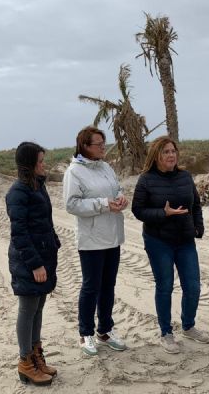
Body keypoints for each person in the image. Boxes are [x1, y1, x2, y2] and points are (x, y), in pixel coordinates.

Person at [131, 136, 209, 354]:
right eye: (166, 152)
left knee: (193, 286)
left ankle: (189, 325)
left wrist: (198, 227)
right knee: (165, 286)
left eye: (173, 151)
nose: (171, 155)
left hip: (185, 239)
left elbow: (196, 205)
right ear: (156, 155)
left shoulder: (185, 176)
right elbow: (137, 210)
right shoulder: (146, 180)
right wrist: (163, 213)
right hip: (158, 240)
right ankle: (166, 333)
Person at [63, 126, 128, 356]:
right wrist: (102, 204)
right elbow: (71, 204)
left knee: (108, 286)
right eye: (98, 144)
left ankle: (105, 330)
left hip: (112, 235)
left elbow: (117, 188)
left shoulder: (106, 167)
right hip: (91, 239)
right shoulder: (74, 172)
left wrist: (121, 198)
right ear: (85, 146)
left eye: (103, 143)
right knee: (91, 287)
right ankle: (86, 333)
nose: (103, 147)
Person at [6, 142, 61, 386]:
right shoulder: (18, 192)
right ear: (29, 165)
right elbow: (19, 233)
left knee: (38, 308)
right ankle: (25, 363)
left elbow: (44, 223)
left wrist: (54, 243)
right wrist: (35, 264)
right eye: (40, 161)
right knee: (27, 309)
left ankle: (37, 356)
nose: (44, 164)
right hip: (29, 262)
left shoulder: (39, 186)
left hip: (44, 256)